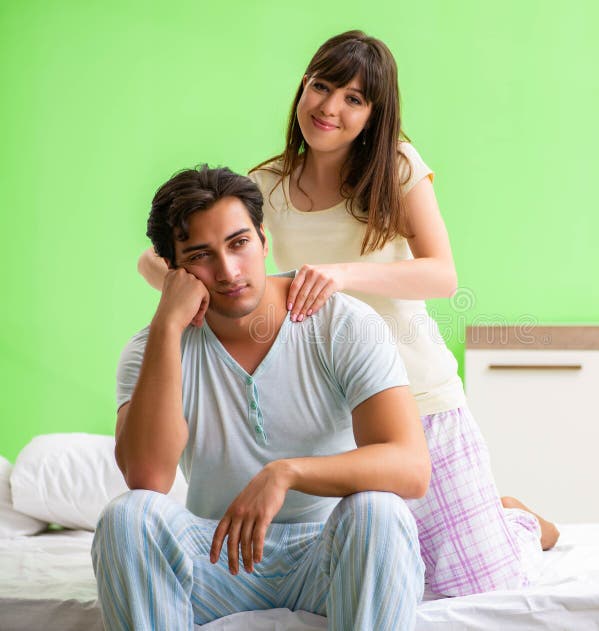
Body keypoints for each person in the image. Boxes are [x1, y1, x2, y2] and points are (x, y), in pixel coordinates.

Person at [139, 30, 559, 598]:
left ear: (373, 115)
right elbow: (166, 255)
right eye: (322, 87)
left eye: (354, 99)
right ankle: (489, 512)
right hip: (334, 409)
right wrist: (186, 296)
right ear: (303, 89)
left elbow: (442, 274)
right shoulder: (265, 187)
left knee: (478, 588)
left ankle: (516, 521)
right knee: (392, 578)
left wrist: (340, 275)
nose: (330, 108)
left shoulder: (398, 169)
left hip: (417, 396)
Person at [96, 165, 431, 631]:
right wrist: (168, 326)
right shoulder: (150, 348)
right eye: (200, 256)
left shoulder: (342, 324)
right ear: (174, 271)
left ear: (263, 240)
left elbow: (411, 467)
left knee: (380, 510)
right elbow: (147, 476)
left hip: (327, 559)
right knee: (126, 518)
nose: (229, 271)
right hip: (216, 560)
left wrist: (287, 473)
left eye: (239, 243)